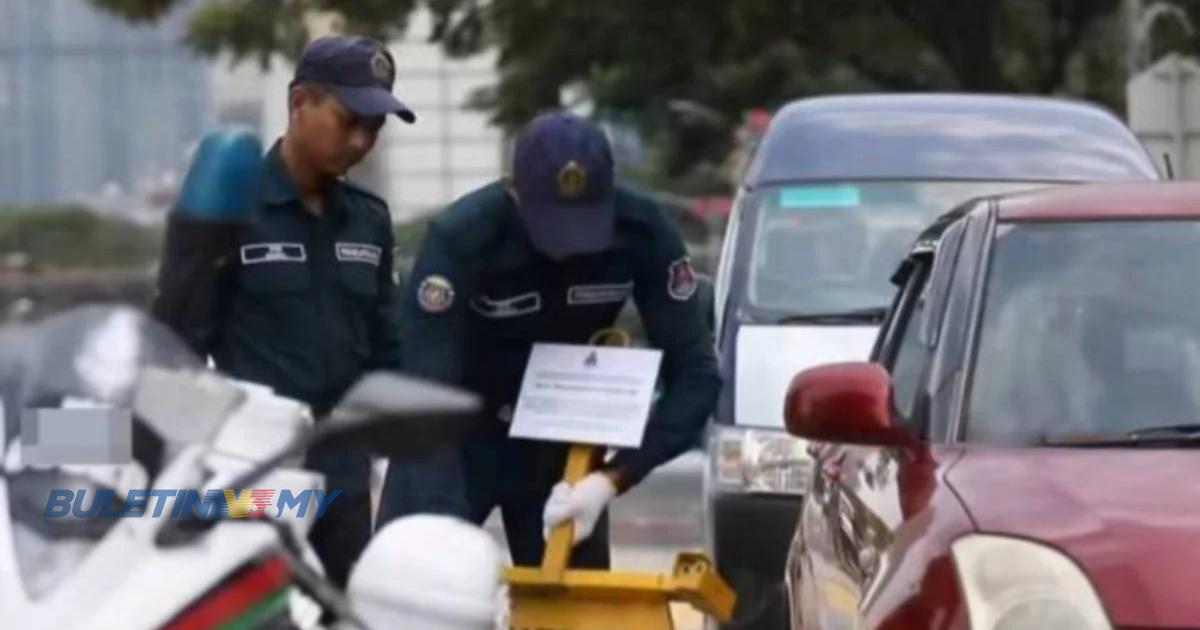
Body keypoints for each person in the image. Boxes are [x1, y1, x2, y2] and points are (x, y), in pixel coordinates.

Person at [376, 110, 720, 568]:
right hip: (454, 440)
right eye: (552, 226)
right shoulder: (462, 238)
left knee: (574, 610)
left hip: (561, 452)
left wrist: (612, 478)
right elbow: (424, 390)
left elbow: (695, 374)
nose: (569, 249)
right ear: (513, 190)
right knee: (412, 588)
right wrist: (441, 522)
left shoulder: (642, 231)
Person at [152, 35, 413, 587]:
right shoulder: (228, 210)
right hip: (258, 464)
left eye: (376, 127)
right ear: (300, 103)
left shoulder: (370, 220)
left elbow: (388, 346)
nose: (363, 140)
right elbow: (176, 345)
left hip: (344, 469)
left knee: (348, 607)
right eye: (349, 120)